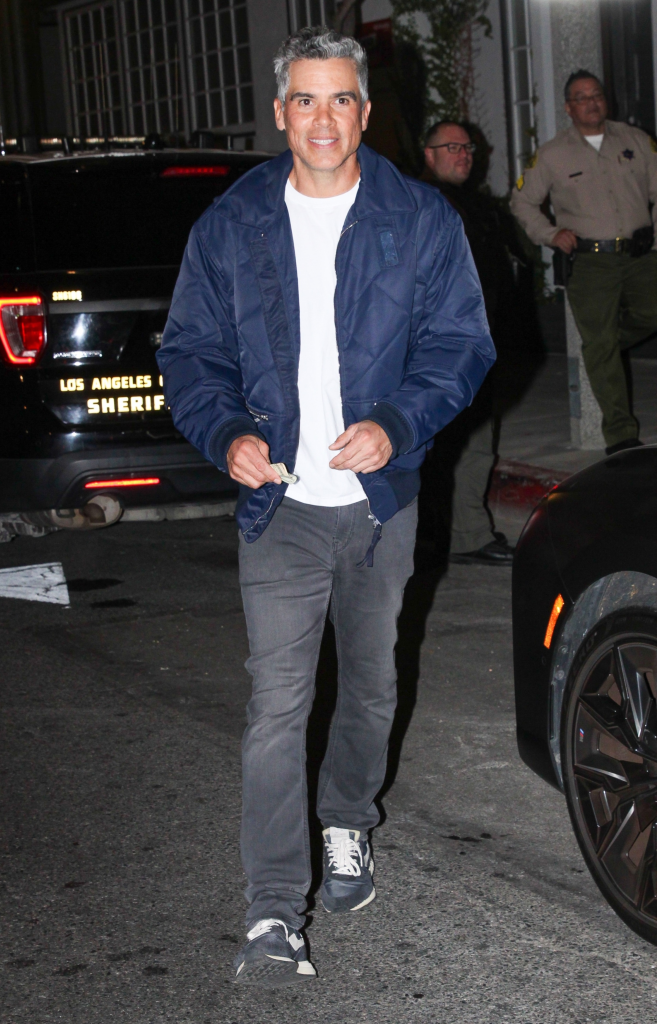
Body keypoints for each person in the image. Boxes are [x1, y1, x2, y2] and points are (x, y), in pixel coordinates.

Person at [157, 28, 495, 987]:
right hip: (282, 507)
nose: (321, 119)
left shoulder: (418, 217)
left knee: (373, 683)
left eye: (339, 99)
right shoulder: (231, 224)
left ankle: (347, 817)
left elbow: (460, 344)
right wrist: (226, 434)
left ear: (363, 111)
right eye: (303, 100)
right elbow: (190, 354)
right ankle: (271, 913)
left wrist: (396, 421)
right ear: (279, 112)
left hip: (379, 500)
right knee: (277, 705)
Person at [511, 69, 657, 455]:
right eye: (581, 97)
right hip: (591, 263)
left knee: (636, 322)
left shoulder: (636, 139)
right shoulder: (554, 154)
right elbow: (522, 201)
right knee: (600, 343)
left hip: (641, 254)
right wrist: (550, 234)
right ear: (568, 107)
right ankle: (621, 434)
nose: (591, 102)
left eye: (596, 95)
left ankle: (604, 346)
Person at [424, 120, 515, 565]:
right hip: (440, 348)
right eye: (452, 147)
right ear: (429, 154)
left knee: (478, 441)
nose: (463, 154)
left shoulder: (478, 208)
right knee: (446, 444)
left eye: (468, 147)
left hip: (480, 343)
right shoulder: (420, 204)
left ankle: (465, 532)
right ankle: (448, 534)